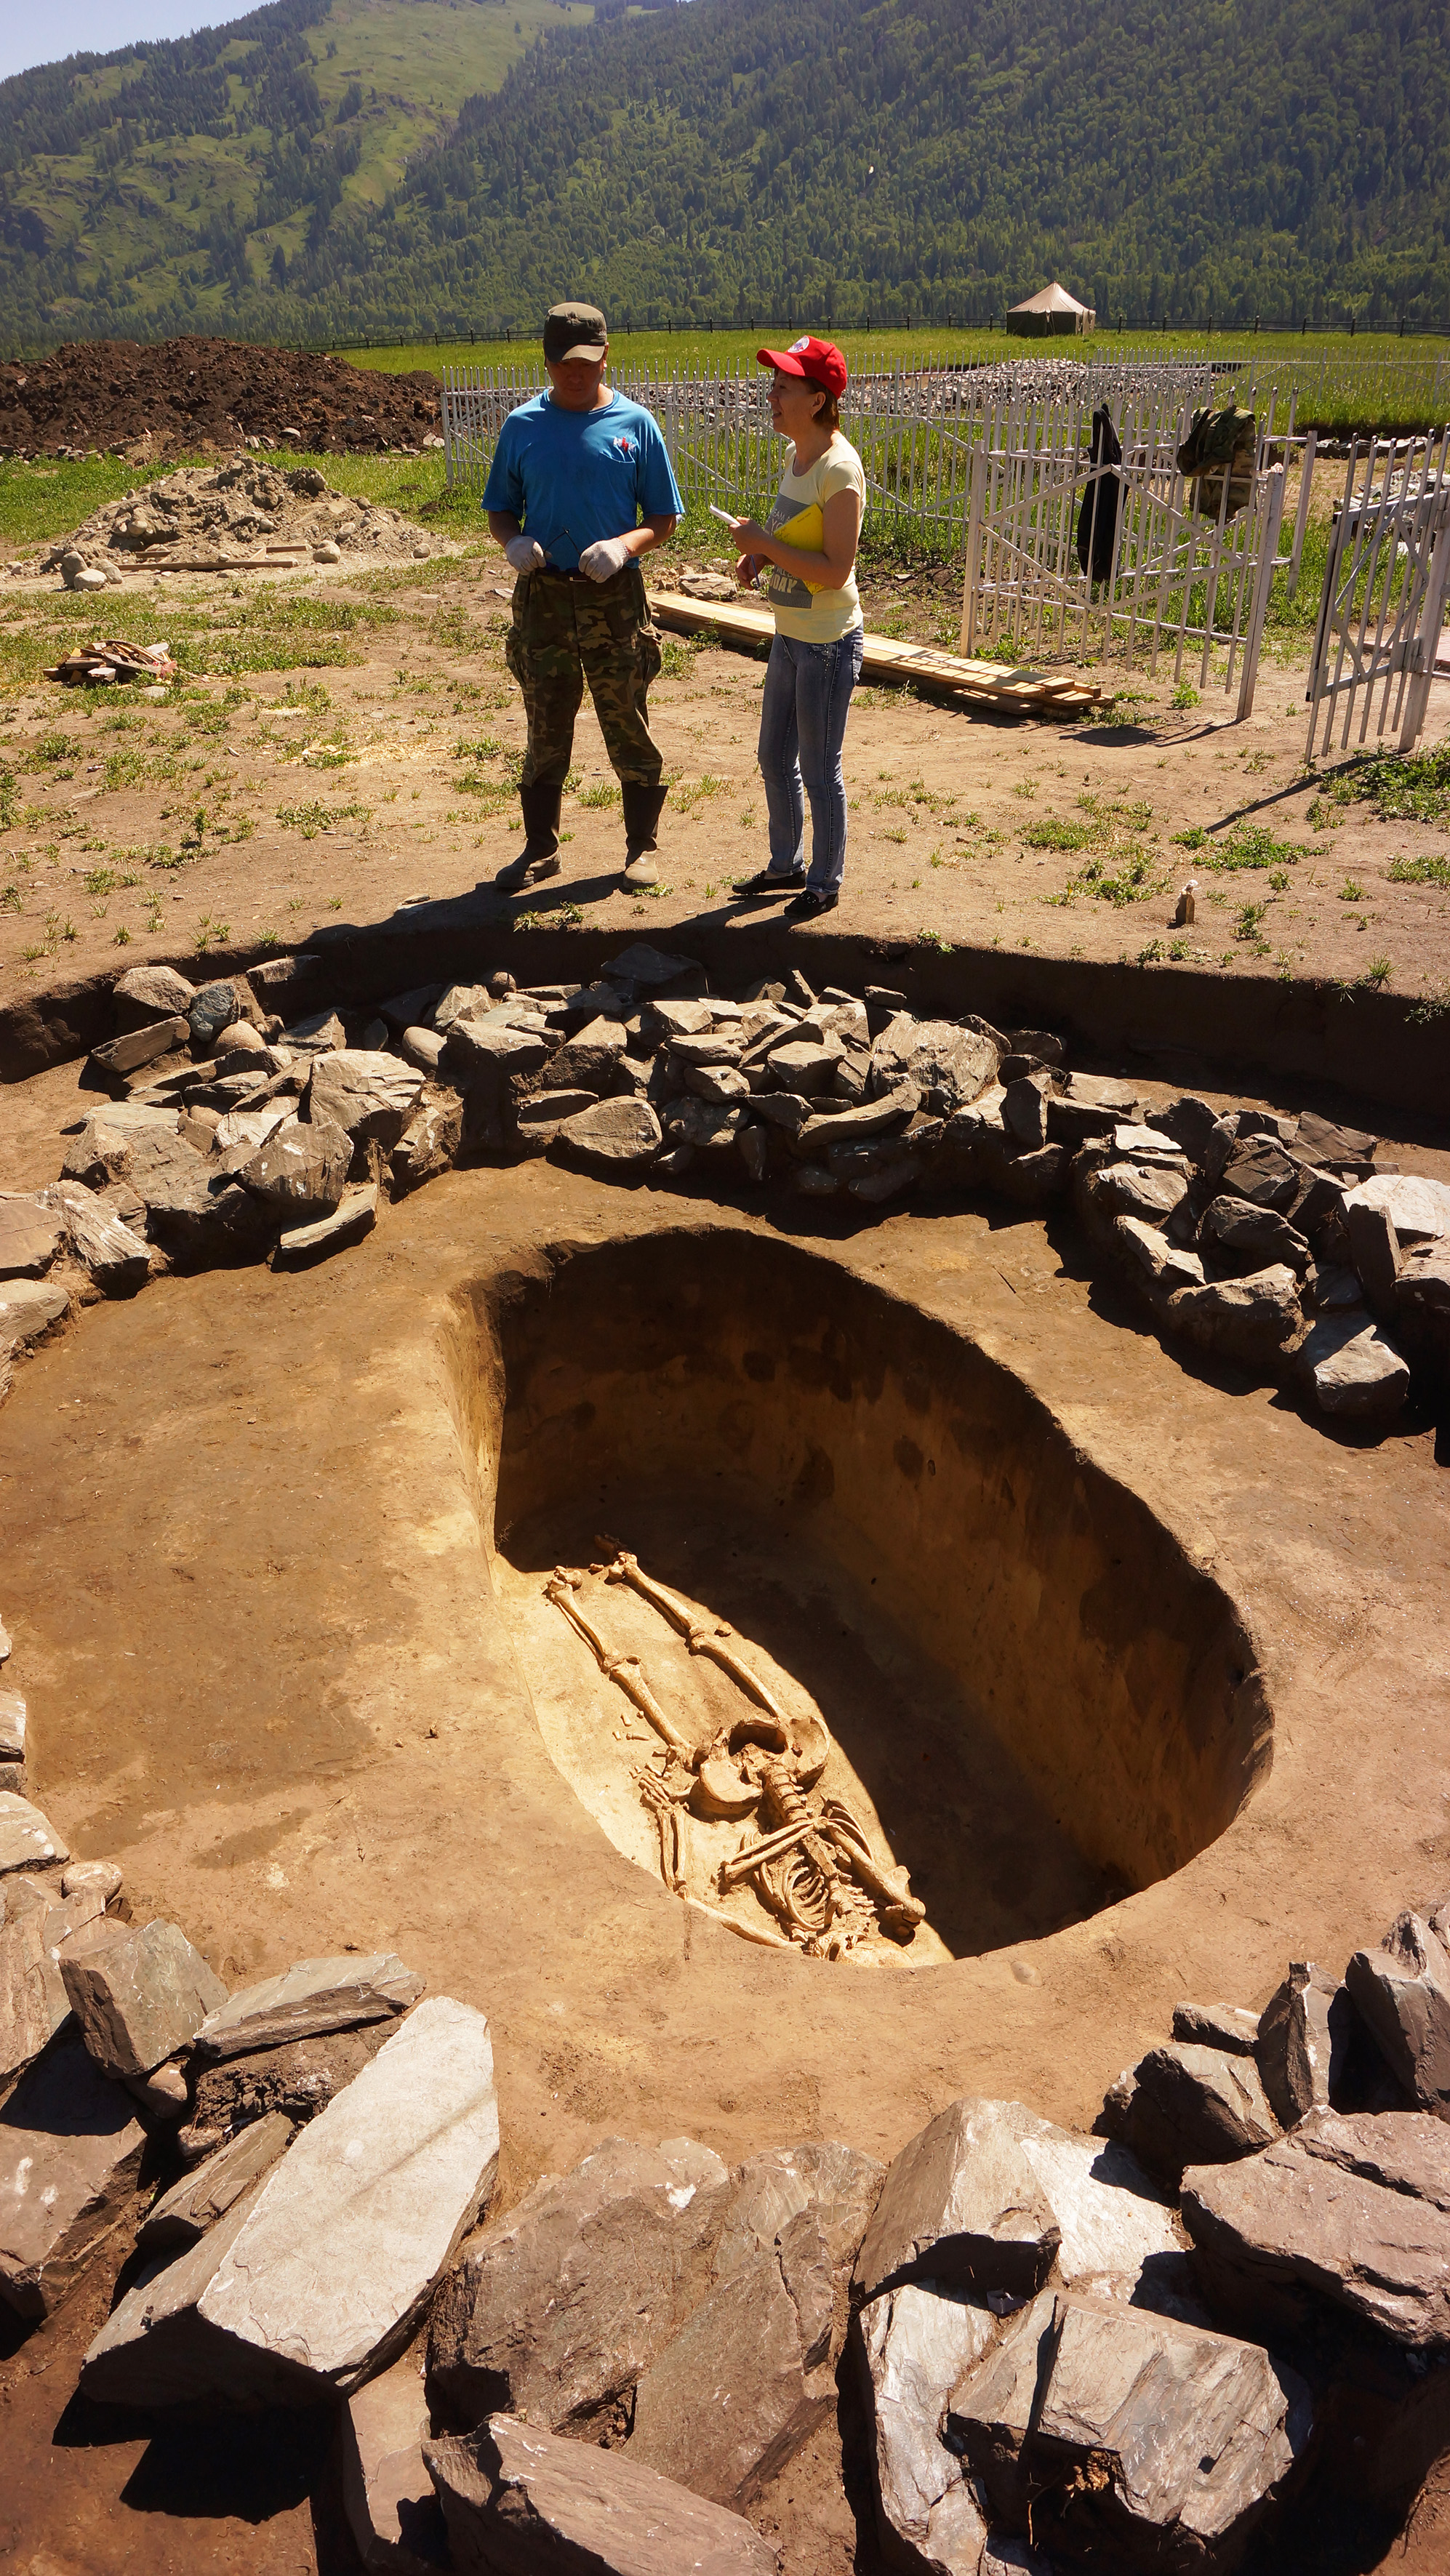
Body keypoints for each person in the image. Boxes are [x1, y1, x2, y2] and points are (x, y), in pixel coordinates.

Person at [483, 302, 683, 891]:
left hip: (613, 598)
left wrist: (624, 547)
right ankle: (541, 848)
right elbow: (500, 508)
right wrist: (513, 541)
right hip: (544, 597)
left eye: (590, 362)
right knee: (546, 723)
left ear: (606, 356)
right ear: (547, 362)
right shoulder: (522, 427)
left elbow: (664, 517)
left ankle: (642, 847)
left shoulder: (636, 425)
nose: (579, 374)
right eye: (567, 363)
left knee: (626, 716)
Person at [722, 337, 866, 919]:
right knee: (772, 757)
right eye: (774, 383)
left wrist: (764, 544)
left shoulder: (839, 468)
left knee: (817, 767)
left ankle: (825, 880)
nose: (772, 394)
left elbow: (835, 571)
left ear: (817, 399)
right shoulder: (797, 457)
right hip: (790, 635)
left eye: (784, 385)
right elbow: (796, 541)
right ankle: (786, 864)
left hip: (828, 644)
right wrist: (760, 559)